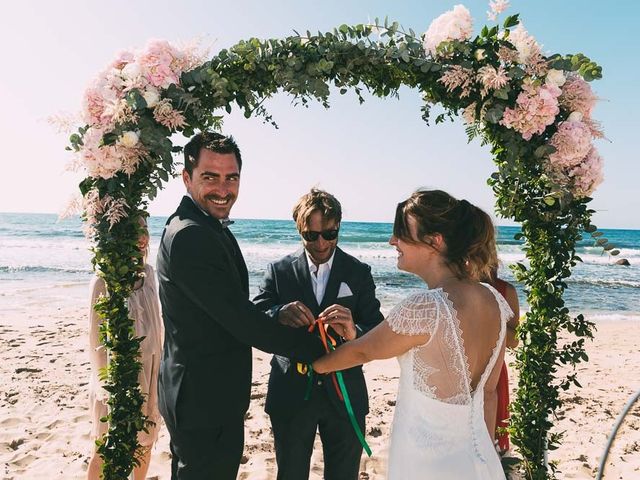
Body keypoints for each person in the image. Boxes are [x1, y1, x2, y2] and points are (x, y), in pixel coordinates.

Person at [156, 131, 325, 480]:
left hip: (200, 392)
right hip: (203, 399)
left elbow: (226, 305)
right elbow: (240, 320)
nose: (223, 188)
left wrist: (276, 313)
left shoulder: (206, 225)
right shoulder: (191, 235)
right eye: (210, 177)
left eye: (231, 177)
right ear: (187, 178)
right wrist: (317, 348)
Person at [313, 189, 514, 479]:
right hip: (478, 457)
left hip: (430, 462)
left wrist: (313, 366)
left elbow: (363, 352)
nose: (392, 241)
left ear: (434, 241)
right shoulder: (495, 301)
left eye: (401, 232)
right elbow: (491, 393)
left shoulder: (426, 307)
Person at [253, 188, 384, 480]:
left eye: (330, 233)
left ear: (338, 227)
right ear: (299, 230)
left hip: (345, 391)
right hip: (291, 391)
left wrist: (354, 331)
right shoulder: (279, 271)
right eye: (312, 236)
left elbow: (377, 329)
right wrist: (278, 314)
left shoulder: (359, 272)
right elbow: (254, 318)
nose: (322, 242)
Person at [87, 215, 163, 480]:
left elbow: (157, 329)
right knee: (107, 446)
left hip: (151, 371)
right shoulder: (103, 282)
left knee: (145, 440)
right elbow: (96, 342)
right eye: (134, 231)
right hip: (117, 378)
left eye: (145, 230)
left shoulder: (150, 274)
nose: (142, 238)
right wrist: (107, 389)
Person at [488, 270, 520, 454]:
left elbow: (514, 341)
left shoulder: (506, 290)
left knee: (494, 437)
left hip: (494, 369)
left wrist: (490, 316)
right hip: (461, 366)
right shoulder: (457, 284)